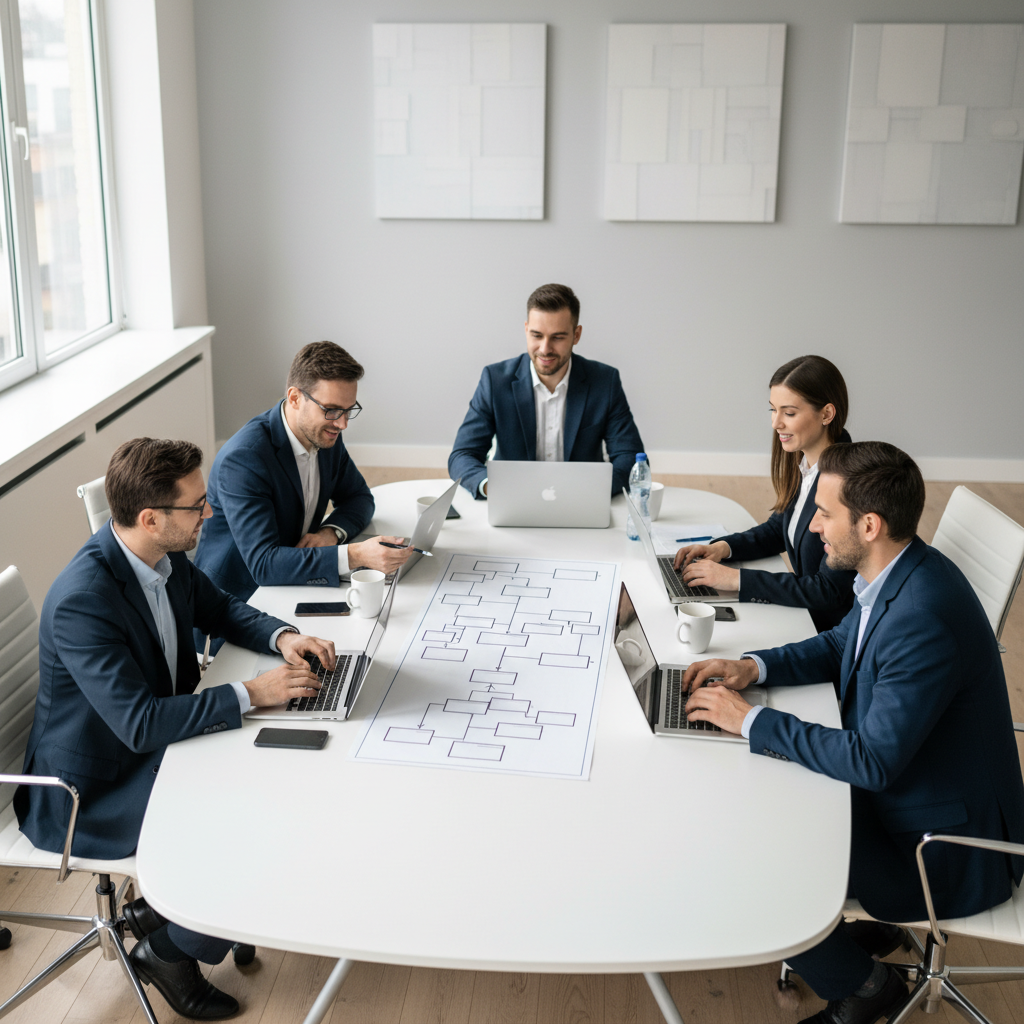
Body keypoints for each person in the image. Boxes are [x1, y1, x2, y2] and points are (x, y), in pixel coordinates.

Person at [681, 441, 1024, 1024]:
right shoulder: (899, 570)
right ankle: (844, 947)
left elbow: (871, 762)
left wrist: (751, 719)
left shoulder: (923, 618)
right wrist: (753, 667)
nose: (811, 526)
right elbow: (843, 643)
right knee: (760, 793)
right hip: (913, 797)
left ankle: (866, 989)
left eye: (824, 513)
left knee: (750, 850)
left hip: (938, 853)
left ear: (869, 524)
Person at [16, 438, 335, 1020]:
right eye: (198, 506)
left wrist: (283, 637)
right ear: (150, 517)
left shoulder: (161, 557)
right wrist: (251, 693)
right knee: (255, 825)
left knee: (280, 783)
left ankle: (161, 915)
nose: (209, 515)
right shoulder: (84, 600)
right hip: (90, 789)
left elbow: (223, 609)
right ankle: (168, 949)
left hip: (153, 749)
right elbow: (139, 725)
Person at [194, 341, 412, 616]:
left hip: (295, 579)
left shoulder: (324, 434)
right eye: (331, 410)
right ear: (295, 398)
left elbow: (359, 497)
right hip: (238, 604)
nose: (342, 423)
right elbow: (264, 564)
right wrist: (355, 555)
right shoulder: (244, 459)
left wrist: (329, 533)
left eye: (348, 410)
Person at [674, 355, 855, 632]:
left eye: (789, 413)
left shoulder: (846, 482)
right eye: (773, 410)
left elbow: (827, 590)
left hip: (828, 629)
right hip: (804, 611)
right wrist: (722, 548)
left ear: (826, 414)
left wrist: (736, 580)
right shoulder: (808, 463)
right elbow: (779, 528)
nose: (776, 423)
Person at [448, 283, 645, 499]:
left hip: (581, 505)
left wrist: (589, 491)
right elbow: (462, 455)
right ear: (526, 330)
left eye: (558, 337)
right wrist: (490, 487)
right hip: (513, 504)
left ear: (576, 335)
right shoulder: (494, 381)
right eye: (536, 335)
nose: (545, 349)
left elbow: (631, 459)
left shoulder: (605, 382)